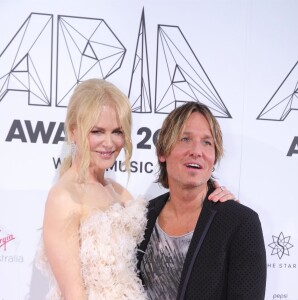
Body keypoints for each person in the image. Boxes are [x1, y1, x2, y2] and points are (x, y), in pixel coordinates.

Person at [35, 79, 234, 300]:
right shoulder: (64, 197)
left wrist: (219, 205)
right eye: (97, 131)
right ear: (73, 131)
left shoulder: (120, 193)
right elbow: (73, 294)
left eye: (117, 132)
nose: (109, 143)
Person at [137, 101, 267, 300]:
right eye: (185, 139)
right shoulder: (142, 217)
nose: (197, 151)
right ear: (163, 151)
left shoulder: (240, 222)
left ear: (214, 157)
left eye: (207, 142)